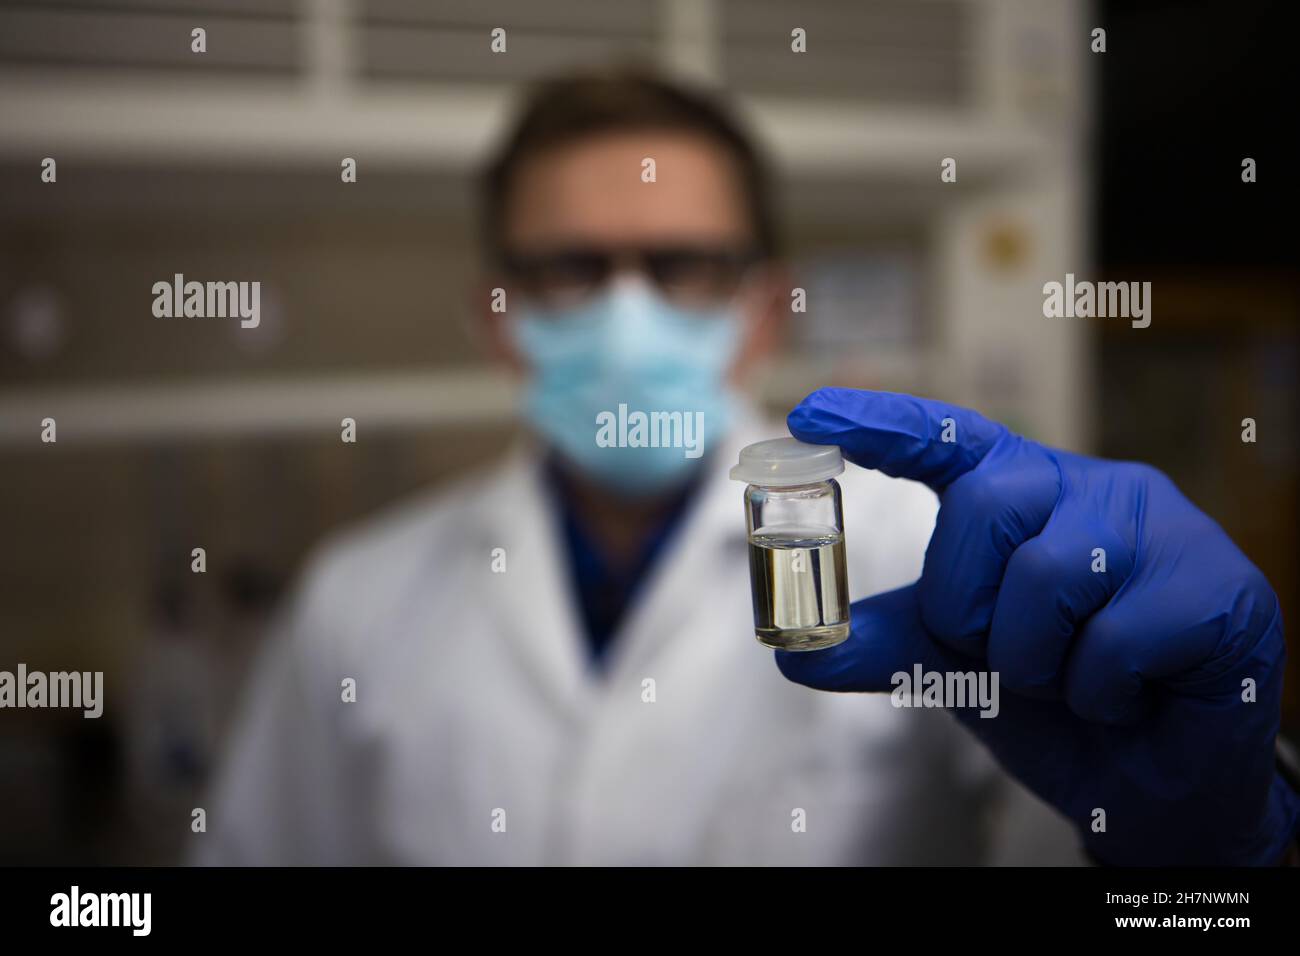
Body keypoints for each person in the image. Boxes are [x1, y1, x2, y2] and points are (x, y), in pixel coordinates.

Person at [196, 67, 1298, 866]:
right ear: (501, 317)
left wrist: (1209, 858)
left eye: (683, 265)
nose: (628, 313)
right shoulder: (357, 597)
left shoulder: (931, 552)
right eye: (573, 269)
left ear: (761, 310)